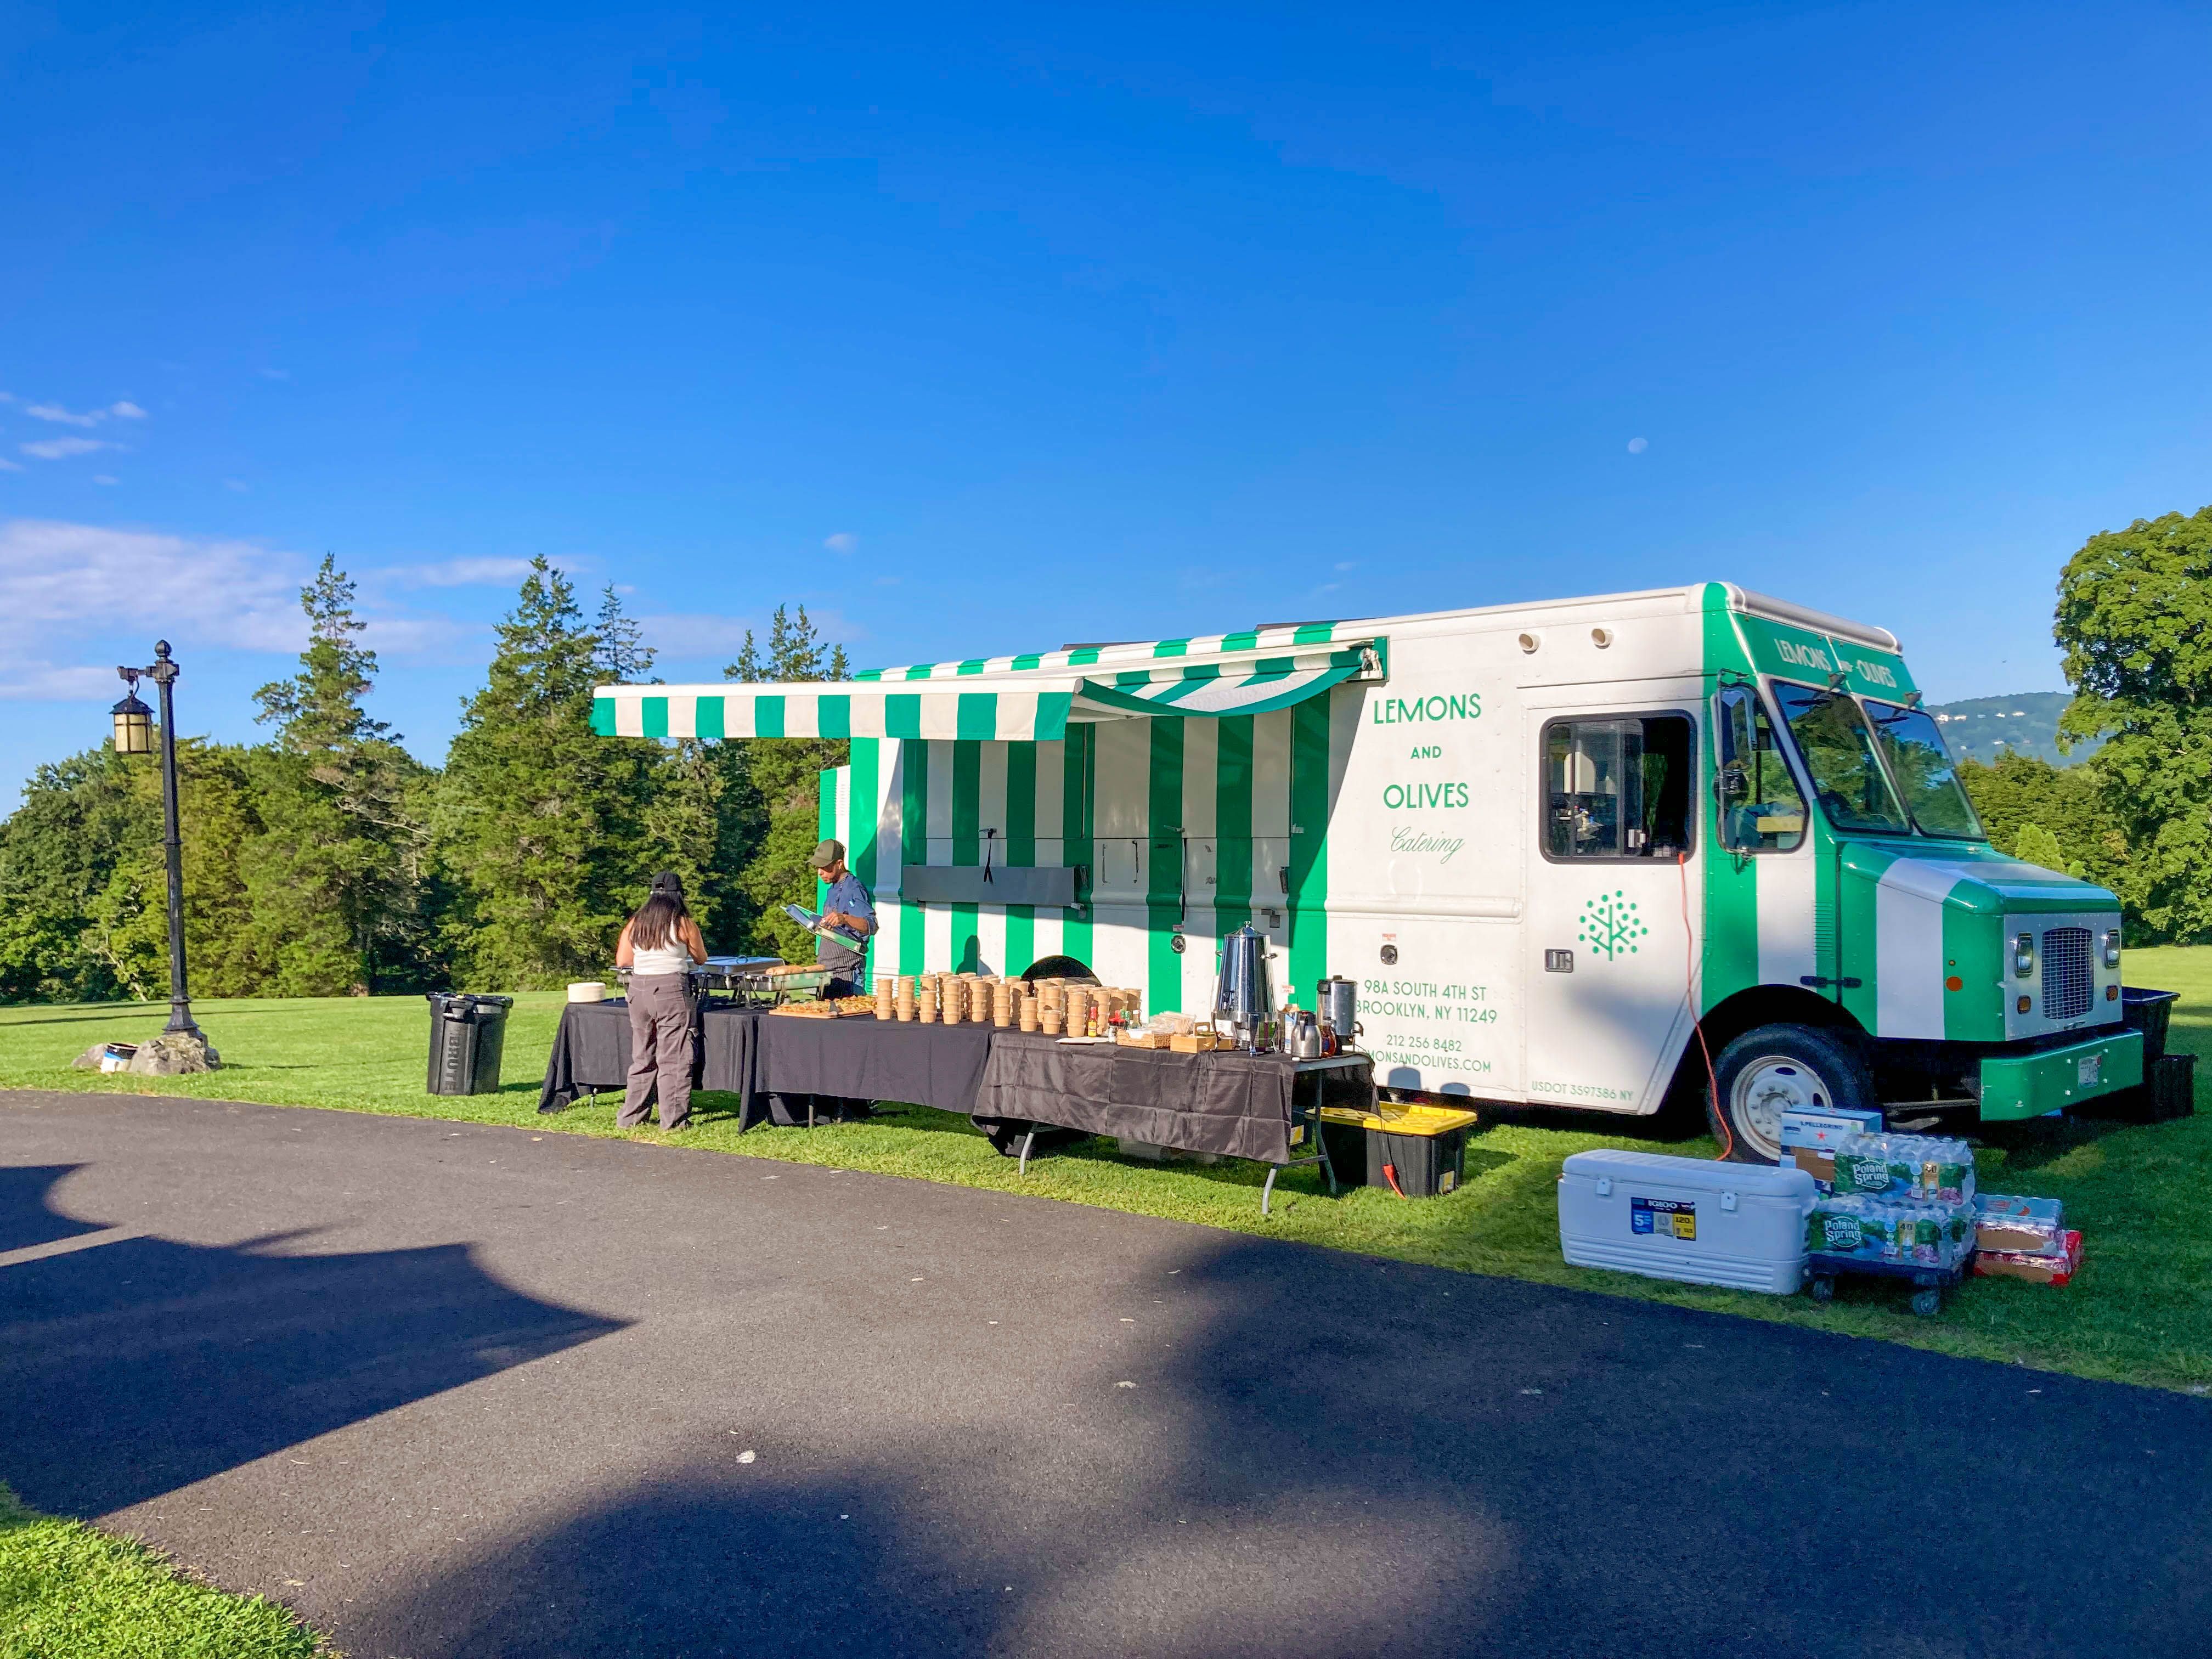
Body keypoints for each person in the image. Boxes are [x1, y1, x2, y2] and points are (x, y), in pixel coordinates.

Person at [614, 872, 708, 1131]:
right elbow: (701, 958)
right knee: (674, 1057)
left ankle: (631, 1118)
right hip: (670, 990)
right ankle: (673, 1121)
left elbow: (623, 961)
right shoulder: (683, 922)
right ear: (679, 895)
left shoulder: (635, 923)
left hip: (638, 990)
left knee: (643, 1056)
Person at [808, 839, 877, 995]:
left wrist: (845, 918)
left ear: (839, 864)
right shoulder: (832, 889)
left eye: (825, 867)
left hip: (849, 974)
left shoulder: (855, 889)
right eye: (818, 867)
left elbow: (872, 926)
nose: (820, 872)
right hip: (827, 972)